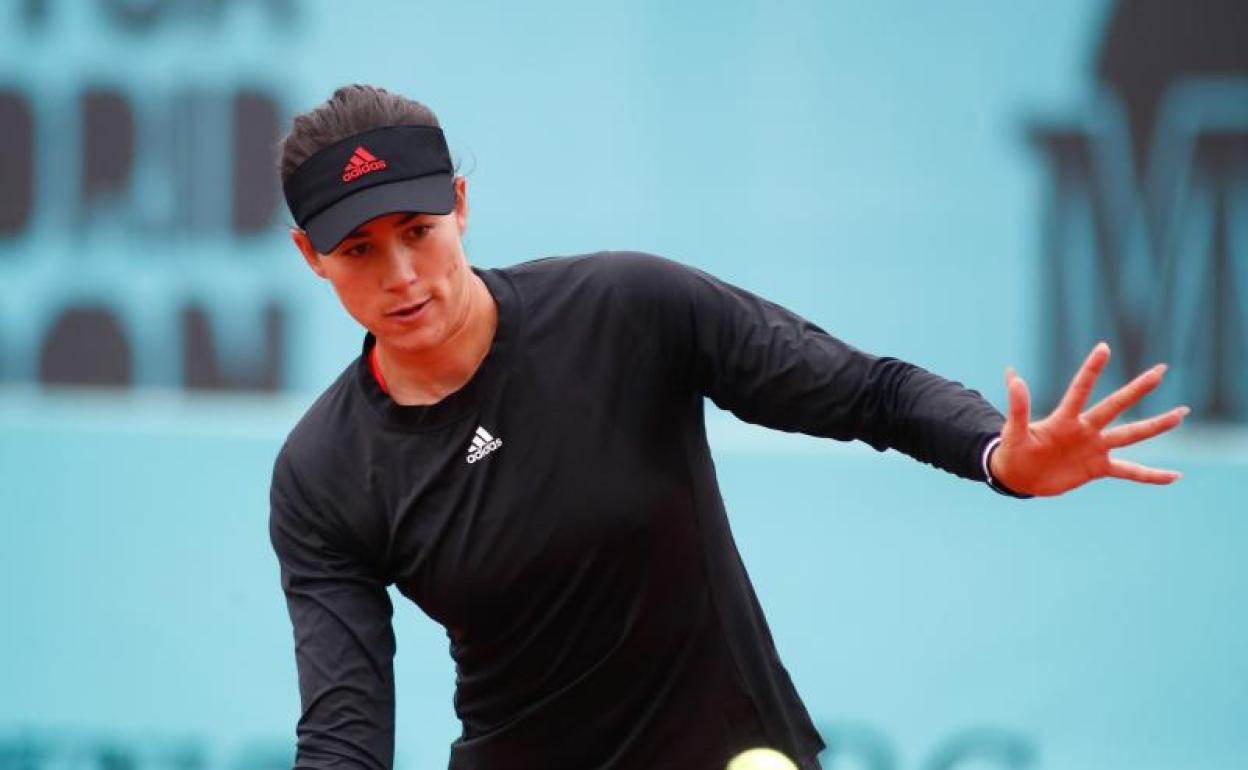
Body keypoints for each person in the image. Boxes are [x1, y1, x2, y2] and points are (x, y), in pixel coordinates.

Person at [268, 84, 1188, 770]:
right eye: (358, 249)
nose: (400, 273)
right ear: (311, 257)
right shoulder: (324, 473)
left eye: (418, 230)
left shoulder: (628, 306)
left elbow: (868, 391)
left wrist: (997, 453)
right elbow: (346, 734)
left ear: (462, 204)